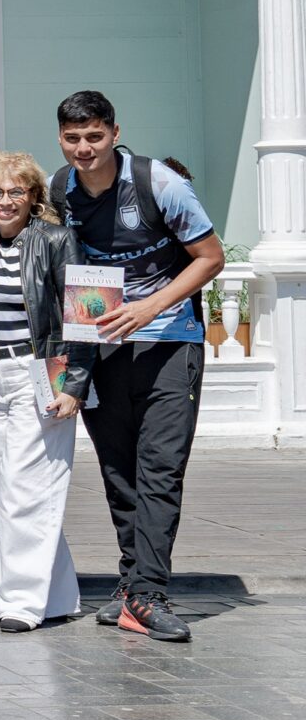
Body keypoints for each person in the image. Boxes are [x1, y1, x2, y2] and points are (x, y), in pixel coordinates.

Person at [53, 91, 225, 642]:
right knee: (119, 475)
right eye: (73, 138)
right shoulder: (61, 189)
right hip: (101, 349)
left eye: (95, 136)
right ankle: (131, 588)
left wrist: (152, 305)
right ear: (62, 138)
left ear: (114, 132)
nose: (84, 148)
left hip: (170, 343)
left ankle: (149, 593)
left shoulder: (159, 183)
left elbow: (211, 258)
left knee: (160, 470)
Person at [0, 151, 92, 633]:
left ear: (34, 197)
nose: (5, 201)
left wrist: (75, 384)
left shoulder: (55, 239)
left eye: (16, 192)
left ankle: (18, 604)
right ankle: (59, 595)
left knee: (28, 492)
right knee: (4, 491)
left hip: (41, 372)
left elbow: (83, 316)